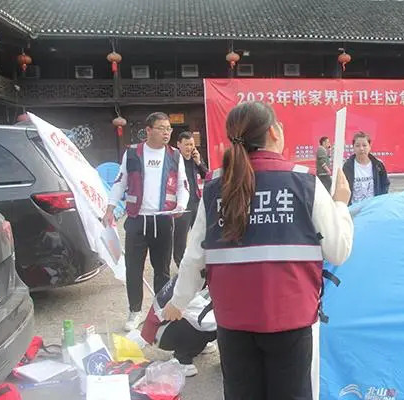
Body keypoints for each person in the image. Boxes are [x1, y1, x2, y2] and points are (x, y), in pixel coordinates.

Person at [162, 101, 354, 400]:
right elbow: (338, 250)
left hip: (233, 323)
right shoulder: (304, 181)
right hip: (291, 321)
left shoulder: (215, 185)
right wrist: (341, 203)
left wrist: (178, 301)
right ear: (274, 132)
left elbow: (195, 256)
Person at [104, 112, 189, 332]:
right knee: (133, 268)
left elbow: (183, 185)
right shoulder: (133, 153)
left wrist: (181, 205)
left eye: (169, 129)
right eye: (161, 128)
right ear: (148, 130)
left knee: (162, 270)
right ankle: (135, 311)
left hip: (163, 220)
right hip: (136, 220)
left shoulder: (174, 155)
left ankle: (159, 311)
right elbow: (120, 182)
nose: (166, 133)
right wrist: (110, 208)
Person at [140, 275, 217, 377]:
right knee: (217, 324)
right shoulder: (191, 275)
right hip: (161, 330)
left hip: (168, 323)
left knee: (217, 321)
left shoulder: (196, 273)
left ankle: (198, 345)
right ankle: (182, 358)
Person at [173, 132, 208, 268]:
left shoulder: (195, 159)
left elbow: (208, 175)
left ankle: (200, 263)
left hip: (197, 201)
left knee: (200, 234)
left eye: (191, 144)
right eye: (186, 144)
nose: (189, 147)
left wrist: (199, 162)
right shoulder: (175, 160)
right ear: (179, 145)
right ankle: (180, 264)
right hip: (182, 204)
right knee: (181, 236)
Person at [343, 131, 390, 204]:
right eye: (357, 145)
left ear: (369, 147)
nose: (361, 148)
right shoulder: (347, 166)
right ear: (353, 147)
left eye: (364, 145)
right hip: (354, 208)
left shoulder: (378, 165)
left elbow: (385, 184)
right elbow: (343, 188)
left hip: (373, 207)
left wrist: (380, 201)